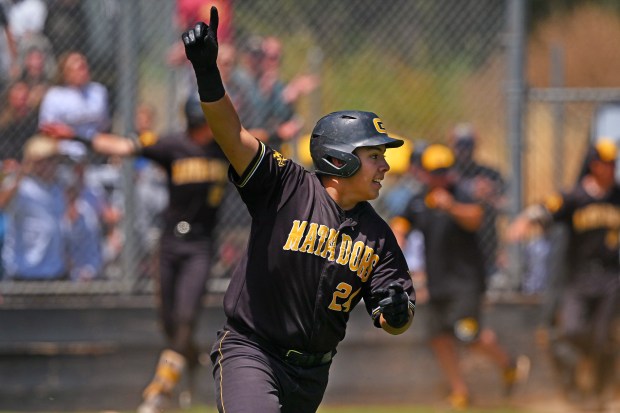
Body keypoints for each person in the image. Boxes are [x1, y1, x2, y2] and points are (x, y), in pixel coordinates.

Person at [181, 8, 415, 413]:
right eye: (374, 156)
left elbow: (395, 316)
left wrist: (397, 312)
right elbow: (232, 135)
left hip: (311, 377)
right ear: (341, 160)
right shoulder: (285, 186)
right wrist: (207, 73)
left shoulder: (378, 236)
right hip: (250, 352)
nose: (385, 166)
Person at [44, 94, 231, 412]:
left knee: (186, 317)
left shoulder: (224, 148)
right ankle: (193, 361)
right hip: (171, 244)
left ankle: (159, 393)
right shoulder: (172, 146)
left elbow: (259, 141)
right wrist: (75, 136)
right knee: (169, 323)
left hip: (201, 246)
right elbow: (121, 147)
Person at [396, 143, 528, 410]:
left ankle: (509, 364)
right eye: (435, 172)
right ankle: (460, 391)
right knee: (439, 337)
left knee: (467, 333)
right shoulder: (418, 200)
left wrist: (451, 206)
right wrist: (396, 239)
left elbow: (475, 219)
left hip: (466, 282)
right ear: (425, 173)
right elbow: (401, 225)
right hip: (437, 282)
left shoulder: (463, 193)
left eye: (445, 171)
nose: (441, 177)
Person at [506, 139, 620, 411]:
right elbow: (546, 209)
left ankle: (599, 393)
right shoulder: (575, 197)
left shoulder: (618, 196)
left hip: (612, 278)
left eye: (612, 163)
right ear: (593, 165)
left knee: (604, 337)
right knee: (570, 331)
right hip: (578, 278)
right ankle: (579, 382)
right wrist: (525, 221)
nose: (610, 168)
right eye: (605, 163)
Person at [0, 134, 68, 280]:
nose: (52, 165)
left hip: (54, 270)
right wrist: (21, 173)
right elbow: (2, 203)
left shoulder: (57, 188)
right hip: (25, 272)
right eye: (46, 160)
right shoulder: (22, 187)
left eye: (53, 160)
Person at [449, 123, 507, 280]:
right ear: (452, 145)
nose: (464, 149)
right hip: (453, 246)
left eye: (468, 144)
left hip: (484, 244)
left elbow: (508, 206)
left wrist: (489, 197)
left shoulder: (490, 174)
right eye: (460, 144)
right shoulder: (445, 174)